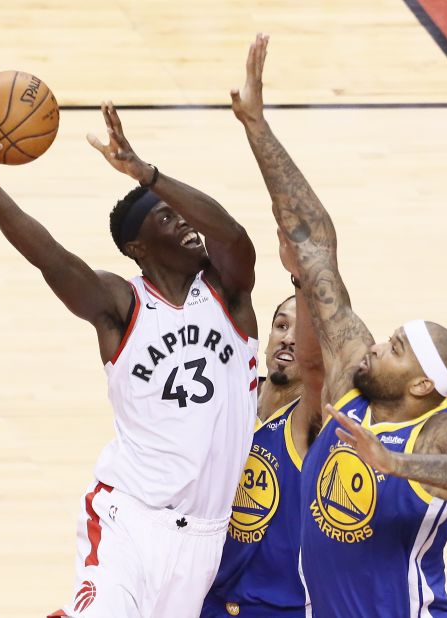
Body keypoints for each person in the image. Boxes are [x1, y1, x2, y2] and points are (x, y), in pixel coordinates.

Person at [232, 34, 447, 617]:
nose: (372, 350)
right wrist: (257, 127)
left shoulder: (443, 433)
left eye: (393, 349)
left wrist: (396, 465)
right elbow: (314, 244)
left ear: (421, 384)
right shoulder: (349, 387)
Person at [0, 101, 260, 618]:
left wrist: (149, 175)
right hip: (129, 519)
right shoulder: (122, 306)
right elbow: (51, 259)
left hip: (206, 537)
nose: (187, 222)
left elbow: (232, 235)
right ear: (139, 248)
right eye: (169, 217)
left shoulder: (227, 293)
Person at [202, 231, 324, 617]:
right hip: (203, 596)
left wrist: (301, 277)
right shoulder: (231, 392)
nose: (288, 339)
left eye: (301, 331)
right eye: (281, 326)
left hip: (276, 606)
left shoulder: (313, 418)